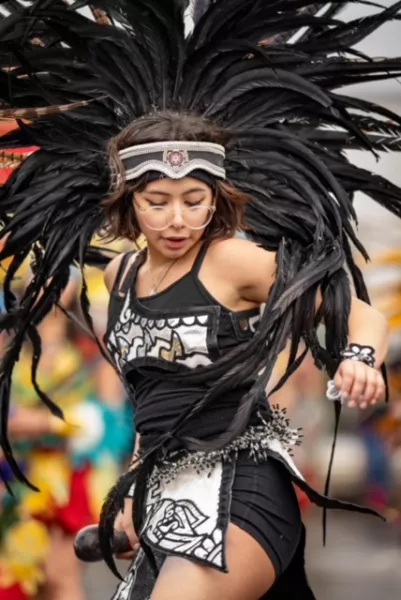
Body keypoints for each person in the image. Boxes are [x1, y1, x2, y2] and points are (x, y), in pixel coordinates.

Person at [1, 1, 401, 599]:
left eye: (195, 199)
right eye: (157, 201)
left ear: (216, 197)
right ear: (127, 202)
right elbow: (153, 402)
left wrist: (360, 359)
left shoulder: (231, 259)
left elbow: (358, 308)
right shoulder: (122, 277)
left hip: (243, 486)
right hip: (162, 495)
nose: (178, 218)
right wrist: (133, 491)